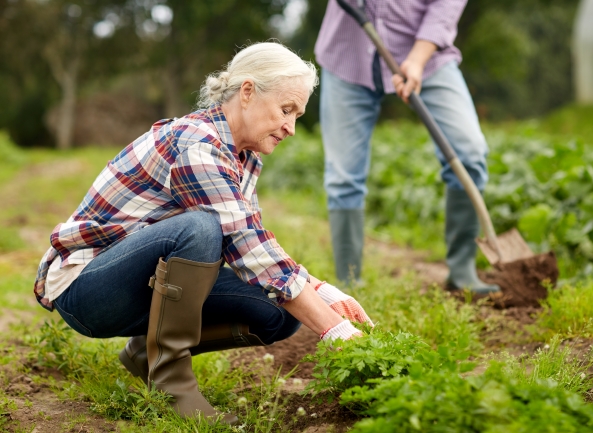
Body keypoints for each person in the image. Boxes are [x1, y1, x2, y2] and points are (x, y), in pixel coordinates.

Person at [33, 42, 373, 425]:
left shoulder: (243, 154)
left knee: (280, 311)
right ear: (247, 92)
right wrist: (334, 329)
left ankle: (147, 353)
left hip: (138, 283)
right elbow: (247, 247)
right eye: (286, 110)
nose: (291, 128)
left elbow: (253, 241)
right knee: (201, 228)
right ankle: (172, 385)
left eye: (297, 114)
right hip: (87, 289)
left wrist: (324, 292)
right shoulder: (199, 145)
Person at [315, 0, 500, 293]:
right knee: (343, 174)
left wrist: (418, 57)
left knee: (469, 153)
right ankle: (349, 283)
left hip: (427, 58)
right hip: (347, 55)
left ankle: (463, 273)